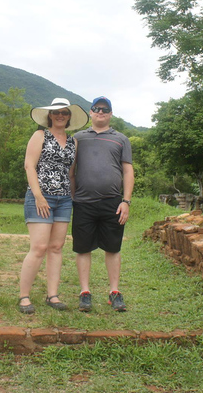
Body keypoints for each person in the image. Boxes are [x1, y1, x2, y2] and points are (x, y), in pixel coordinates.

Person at [17, 98, 88, 314]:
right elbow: (29, 166)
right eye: (56, 112)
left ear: (69, 117)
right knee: (38, 247)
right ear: (50, 115)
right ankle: (24, 296)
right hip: (41, 196)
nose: (60, 115)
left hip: (64, 199)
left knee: (56, 248)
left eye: (64, 113)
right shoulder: (40, 135)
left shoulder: (74, 142)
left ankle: (53, 295)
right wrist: (39, 196)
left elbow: (70, 173)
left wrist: (73, 198)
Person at [72, 96, 134, 312]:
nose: (100, 112)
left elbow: (127, 170)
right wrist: (73, 197)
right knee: (82, 248)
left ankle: (114, 292)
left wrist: (126, 201)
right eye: (96, 108)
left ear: (110, 114)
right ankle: (84, 292)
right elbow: (71, 172)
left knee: (113, 248)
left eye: (105, 109)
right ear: (90, 112)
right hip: (83, 202)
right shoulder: (78, 138)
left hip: (113, 202)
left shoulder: (121, 139)